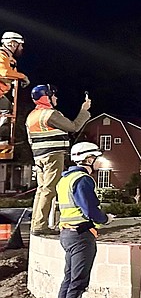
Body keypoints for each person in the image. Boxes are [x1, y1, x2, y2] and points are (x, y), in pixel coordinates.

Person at [54, 141, 113, 298]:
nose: (97, 162)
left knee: (68, 281)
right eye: (96, 158)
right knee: (77, 284)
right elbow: (89, 210)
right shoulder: (82, 180)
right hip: (81, 236)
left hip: (67, 234)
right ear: (88, 158)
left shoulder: (65, 179)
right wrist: (105, 219)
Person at [26, 85, 92, 238]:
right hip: (53, 155)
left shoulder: (32, 116)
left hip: (39, 157)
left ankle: (36, 224)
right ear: (46, 97)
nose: (56, 98)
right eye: (53, 95)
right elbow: (73, 127)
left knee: (41, 190)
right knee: (49, 190)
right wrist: (84, 110)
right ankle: (41, 226)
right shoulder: (50, 114)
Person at [0, 31, 30, 158]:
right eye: (20, 45)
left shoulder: (8, 58)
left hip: (3, 94)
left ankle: (2, 138)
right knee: (4, 117)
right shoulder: (1, 55)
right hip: (1, 94)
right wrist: (23, 76)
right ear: (12, 43)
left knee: (6, 115)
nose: (21, 48)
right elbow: (4, 72)